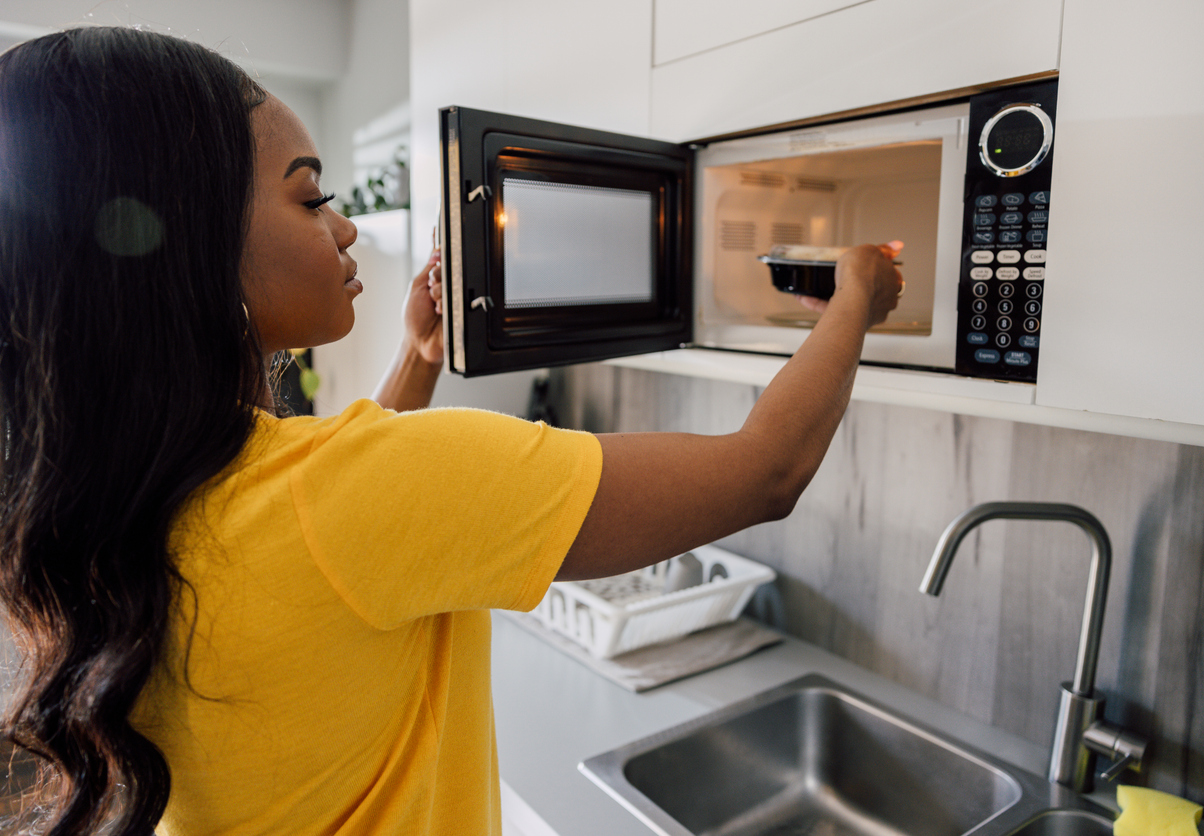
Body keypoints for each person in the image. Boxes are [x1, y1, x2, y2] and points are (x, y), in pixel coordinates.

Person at [0, 25, 902, 836]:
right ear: (192, 245)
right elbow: (766, 470)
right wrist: (854, 297)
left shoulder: (104, 492)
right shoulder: (359, 484)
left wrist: (417, 358)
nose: (345, 226)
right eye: (310, 200)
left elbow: (326, 533)